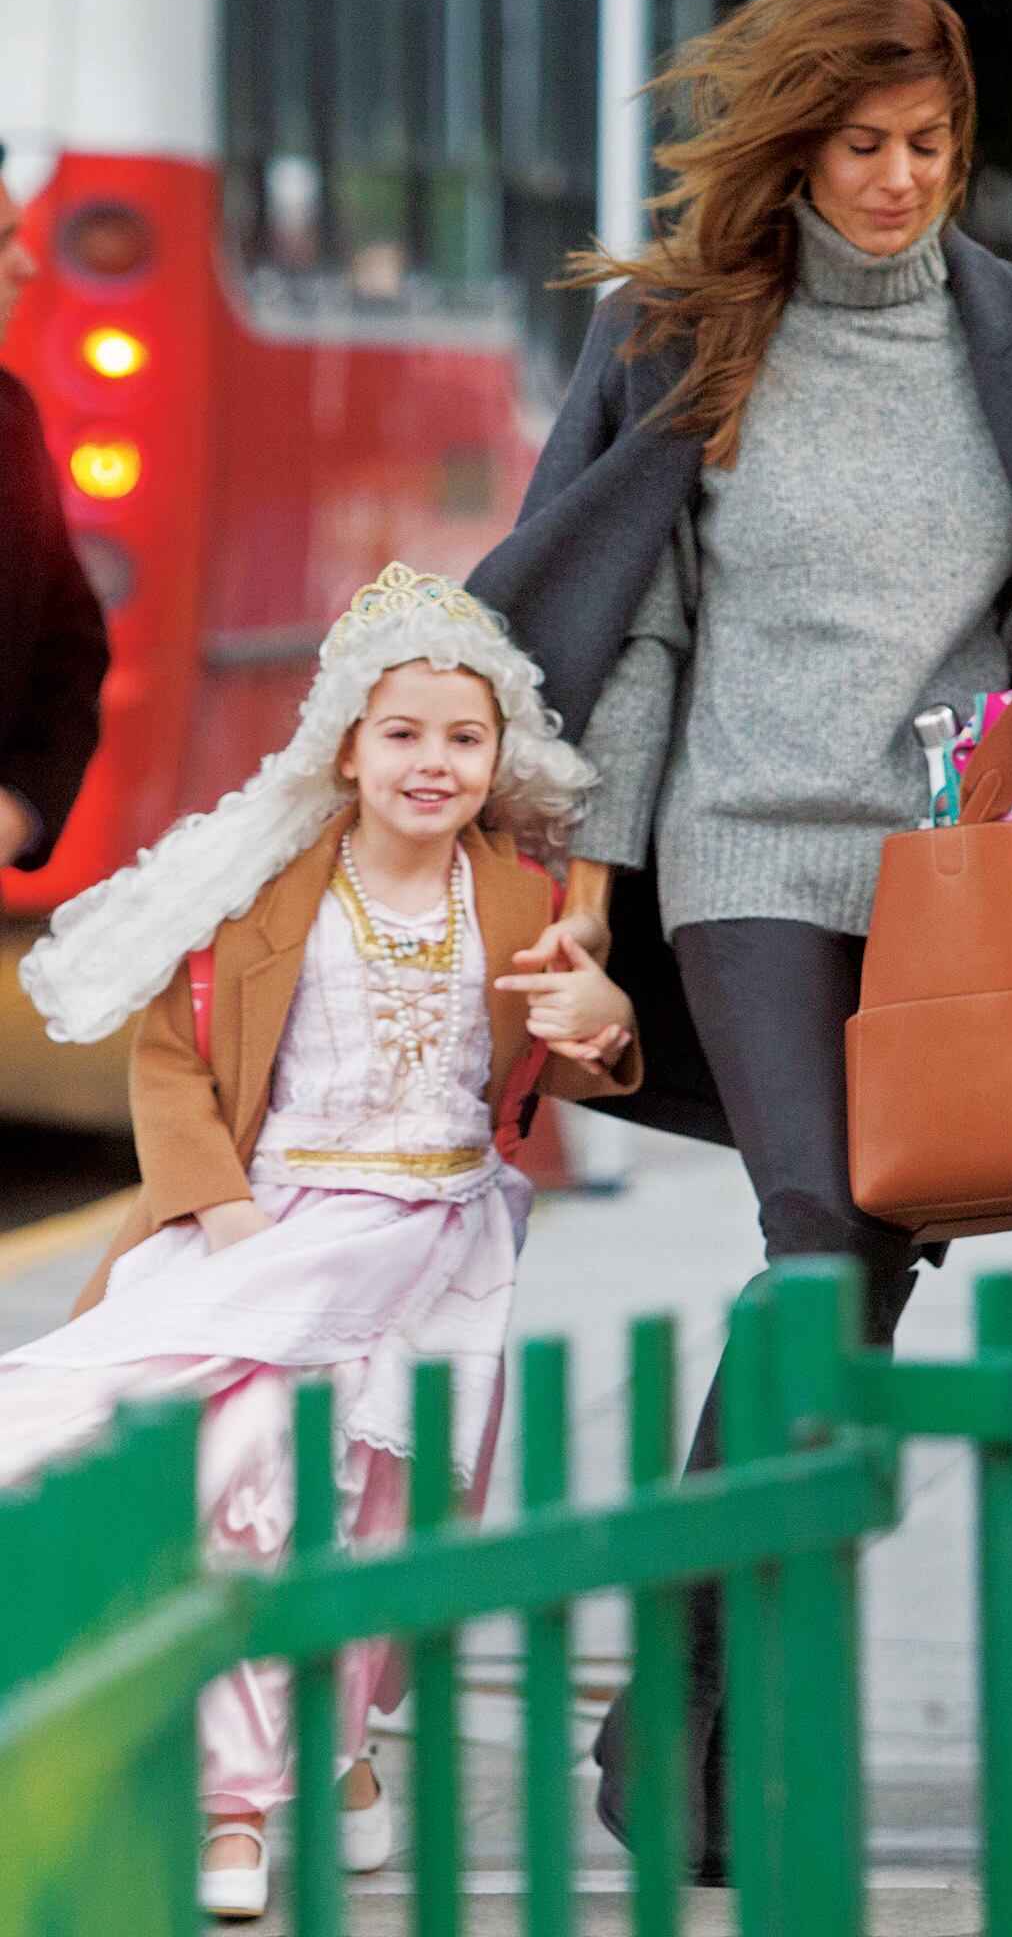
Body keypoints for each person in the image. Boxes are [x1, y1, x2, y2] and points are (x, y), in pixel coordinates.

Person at [466, 0, 1012, 1873]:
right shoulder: (689, 330)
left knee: (862, 1284)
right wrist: (593, 897)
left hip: (938, 877)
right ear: (795, 143)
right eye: (862, 146)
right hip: (745, 853)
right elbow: (644, 620)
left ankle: (685, 1717)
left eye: (928, 145)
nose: (901, 179)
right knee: (817, 1229)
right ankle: (692, 1717)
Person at [12, 562, 641, 1921]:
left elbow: (579, 1057)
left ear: (498, 753)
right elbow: (173, 1062)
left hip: (439, 1248)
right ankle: (232, 1813)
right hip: (273, 1236)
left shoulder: (524, 900)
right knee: (246, 1485)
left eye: (463, 737)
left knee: (383, 1528)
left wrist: (603, 1017)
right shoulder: (271, 895)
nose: (433, 761)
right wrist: (223, 1211)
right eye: (402, 733)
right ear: (345, 747)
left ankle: (343, 1754)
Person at [0, 144, 110, 874]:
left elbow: (71, 643)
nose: (28, 264)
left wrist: (21, 805)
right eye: (4, 239)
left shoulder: (9, 419)